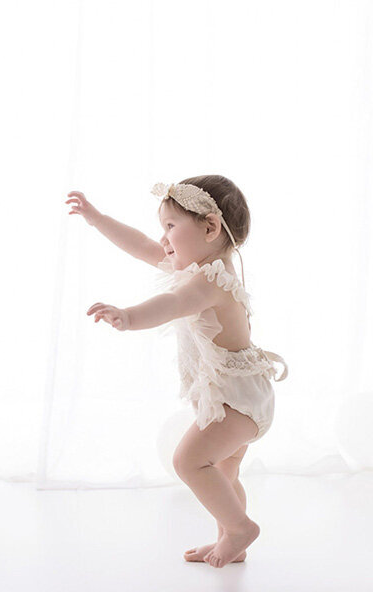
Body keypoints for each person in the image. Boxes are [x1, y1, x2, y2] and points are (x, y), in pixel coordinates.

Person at [66, 175, 288, 568]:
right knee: (224, 472)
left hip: (237, 401)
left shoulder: (209, 281)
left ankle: (239, 529)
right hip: (242, 393)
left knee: (188, 462)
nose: (163, 239)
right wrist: (97, 219)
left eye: (170, 226)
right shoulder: (205, 266)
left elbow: (172, 302)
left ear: (210, 227)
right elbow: (142, 246)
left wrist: (128, 316)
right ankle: (231, 540)